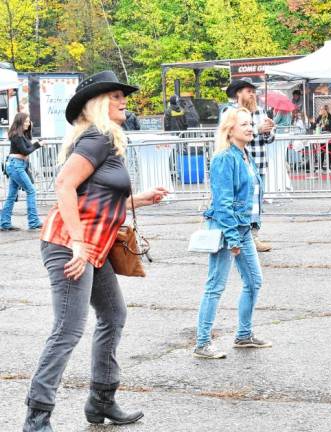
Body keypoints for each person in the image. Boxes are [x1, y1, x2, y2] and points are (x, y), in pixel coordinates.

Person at [22, 71, 168, 431]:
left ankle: (101, 402)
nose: (124, 101)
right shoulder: (98, 138)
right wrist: (76, 243)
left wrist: (139, 200)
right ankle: (36, 419)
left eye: (123, 96)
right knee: (67, 330)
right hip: (70, 245)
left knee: (114, 315)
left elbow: (95, 198)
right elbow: (64, 185)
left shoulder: (107, 141)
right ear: (98, 103)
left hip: (93, 246)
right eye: (116, 96)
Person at [193, 107, 271, 360]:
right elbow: (223, 202)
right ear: (230, 129)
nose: (250, 128)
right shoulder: (225, 158)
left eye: (251, 123)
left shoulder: (244, 154)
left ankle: (244, 335)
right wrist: (233, 238)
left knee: (254, 281)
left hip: (242, 226)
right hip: (227, 228)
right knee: (215, 285)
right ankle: (202, 343)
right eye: (244, 124)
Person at [222, 79, 275, 252]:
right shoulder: (229, 111)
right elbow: (226, 135)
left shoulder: (260, 111)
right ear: (238, 93)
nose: (252, 94)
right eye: (248, 91)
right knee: (238, 201)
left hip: (258, 164)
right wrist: (257, 129)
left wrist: (268, 131)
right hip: (237, 164)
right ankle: (235, 237)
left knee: (256, 203)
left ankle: (254, 237)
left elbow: (270, 139)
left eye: (254, 91)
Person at [0, 112, 45, 231]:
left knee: (11, 195)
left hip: (17, 165)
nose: (28, 123)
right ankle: (33, 221)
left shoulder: (22, 135)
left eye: (29, 121)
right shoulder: (17, 135)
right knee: (31, 191)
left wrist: (35, 143)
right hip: (16, 166)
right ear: (20, 122)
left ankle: (4, 223)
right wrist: (38, 144)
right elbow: (25, 151)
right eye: (26, 121)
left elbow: (27, 149)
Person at [312, 105, 331, 172]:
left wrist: (325, 127)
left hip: (328, 138)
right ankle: (320, 167)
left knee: (328, 152)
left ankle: (328, 167)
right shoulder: (319, 117)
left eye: (322, 109)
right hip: (321, 137)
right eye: (320, 109)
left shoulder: (330, 117)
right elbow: (314, 126)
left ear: (326, 110)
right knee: (320, 152)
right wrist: (316, 124)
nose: (321, 111)